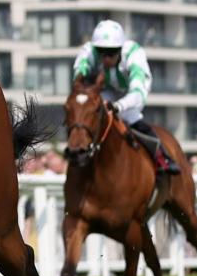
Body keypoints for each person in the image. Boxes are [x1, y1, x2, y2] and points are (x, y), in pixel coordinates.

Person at [72, 19, 180, 175]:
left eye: (111, 53)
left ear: (120, 49)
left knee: (129, 116)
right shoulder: (89, 50)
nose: (106, 58)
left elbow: (137, 93)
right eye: (101, 52)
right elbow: (79, 72)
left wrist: (119, 106)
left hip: (134, 91)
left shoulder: (134, 54)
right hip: (109, 88)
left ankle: (162, 158)